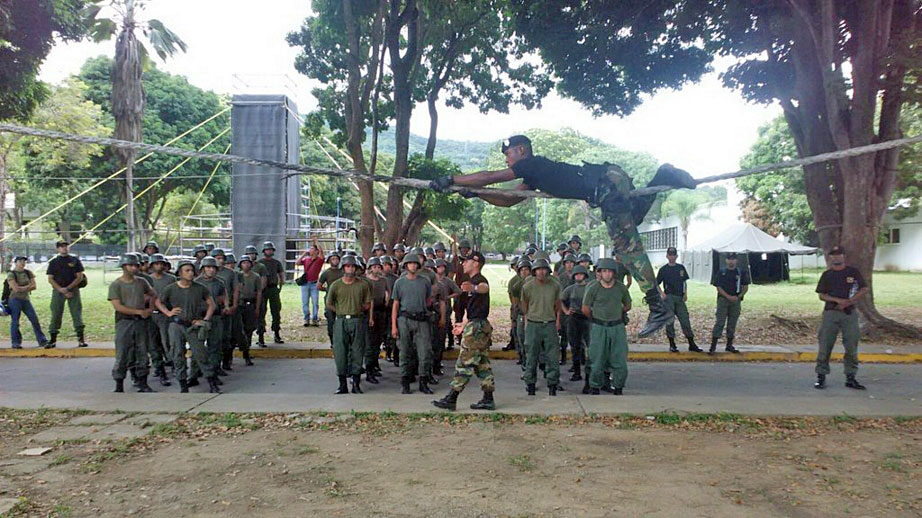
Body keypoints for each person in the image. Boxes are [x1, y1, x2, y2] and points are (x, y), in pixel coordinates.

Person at [429, 135, 696, 337]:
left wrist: (452, 178)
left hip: (605, 184)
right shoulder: (535, 173)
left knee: (626, 247)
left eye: (509, 154)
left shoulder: (530, 164)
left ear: (521, 150)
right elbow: (509, 200)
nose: (507, 160)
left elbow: (489, 177)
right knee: (633, 217)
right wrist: (476, 194)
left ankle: (657, 306)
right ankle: (664, 174)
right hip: (609, 179)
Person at [432, 251, 496, 411]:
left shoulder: (479, 281)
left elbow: (484, 288)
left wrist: (473, 288)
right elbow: (472, 309)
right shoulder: (470, 282)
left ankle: (452, 398)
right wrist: (463, 324)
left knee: (465, 363)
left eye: (466, 261)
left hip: (477, 328)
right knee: (482, 364)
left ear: (475, 263)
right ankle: (488, 398)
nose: (463, 264)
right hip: (476, 324)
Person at [155, 260, 217, 393]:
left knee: (201, 353)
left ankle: (212, 382)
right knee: (177, 354)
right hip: (176, 325)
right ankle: (183, 384)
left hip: (193, 325)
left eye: (192, 270)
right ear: (180, 273)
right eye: (186, 271)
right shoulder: (171, 288)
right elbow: (159, 302)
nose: (190, 273)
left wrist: (205, 319)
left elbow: (211, 304)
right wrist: (168, 312)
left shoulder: (199, 288)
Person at [814, 246, 869, 390]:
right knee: (825, 344)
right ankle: (821, 376)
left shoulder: (853, 272)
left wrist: (849, 302)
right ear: (830, 258)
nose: (836, 257)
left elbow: (864, 288)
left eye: (839, 255)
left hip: (849, 313)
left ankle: (851, 377)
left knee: (851, 345)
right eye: (833, 255)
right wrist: (838, 301)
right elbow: (821, 294)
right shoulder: (827, 275)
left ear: (844, 256)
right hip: (831, 313)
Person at [582, 258, 632, 395]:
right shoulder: (593, 288)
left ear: (614, 273)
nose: (607, 274)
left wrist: (617, 312)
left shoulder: (620, 288)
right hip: (599, 326)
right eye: (604, 271)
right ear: (599, 273)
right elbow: (585, 308)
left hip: (616, 327)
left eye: (610, 271)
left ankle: (618, 386)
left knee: (619, 359)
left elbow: (627, 305)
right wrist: (597, 317)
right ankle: (595, 386)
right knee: (596, 359)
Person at [107, 254, 155, 393]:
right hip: (124, 321)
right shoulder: (116, 285)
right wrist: (138, 311)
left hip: (140, 322)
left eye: (136, 265)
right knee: (122, 353)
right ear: (124, 267)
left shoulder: (141, 282)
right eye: (131, 265)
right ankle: (119, 383)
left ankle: (143, 383)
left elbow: (153, 294)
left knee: (142, 352)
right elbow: (118, 306)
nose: (134, 268)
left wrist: (149, 308)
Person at [327, 255, 372, 394]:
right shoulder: (336, 285)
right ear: (343, 268)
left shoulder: (363, 284)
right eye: (347, 266)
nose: (350, 269)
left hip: (357, 319)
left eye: (353, 266)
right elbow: (329, 303)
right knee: (340, 352)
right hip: (341, 321)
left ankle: (356, 384)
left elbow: (368, 303)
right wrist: (341, 311)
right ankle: (342, 385)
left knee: (358, 351)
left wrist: (356, 309)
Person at [391, 253, 434, 395]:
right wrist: (394, 326)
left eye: (415, 264)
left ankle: (423, 381)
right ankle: (405, 383)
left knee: (425, 352)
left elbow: (428, 300)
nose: (413, 266)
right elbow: (395, 305)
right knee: (404, 352)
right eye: (410, 263)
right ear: (405, 265)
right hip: (404, 319)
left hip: (421, 319)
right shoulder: (400, 282)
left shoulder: (425, 281)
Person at [521, 258, 562, 396]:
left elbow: (558, 304)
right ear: (534, 271)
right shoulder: (528, 286)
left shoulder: (555, 285)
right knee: (531, 355)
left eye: (544, 269)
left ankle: (552, 384)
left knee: (552, 356)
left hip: (549, 323)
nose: (541, 272)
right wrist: (527, 321)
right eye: (538, 269)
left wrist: (557, 321)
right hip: (533, 323)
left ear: (548, 271)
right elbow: (525, 305)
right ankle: (530, 383)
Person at [656, 247, 702, 353]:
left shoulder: (681, 268)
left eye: (674, 255)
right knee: (670, 321)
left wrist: (685, 293)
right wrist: (662, 293)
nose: (672, 257)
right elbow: (656, 283)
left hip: (679, 297)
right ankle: (672, 344)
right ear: (667, 256)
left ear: (676, 256)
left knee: (685, 319)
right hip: (669, 297)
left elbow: (684, 282)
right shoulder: (663, 269)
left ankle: (691, 343)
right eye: (670, 255)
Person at [45, 240, 87, 349]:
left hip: (73, 290)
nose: (64, 248)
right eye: (62, 247)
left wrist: (69, 288)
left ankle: (81, 339)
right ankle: (53, 339)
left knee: (76, 313)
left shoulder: (74, 260)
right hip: (58, 291)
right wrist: (61, 289)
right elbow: (50, 278)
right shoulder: (54, 262)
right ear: (58, 249)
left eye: (66, 246)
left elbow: (79, 276)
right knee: (56, 314)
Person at [195, 256, 228, 382]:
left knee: (215, 345)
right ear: (203, 268)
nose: (211, 270)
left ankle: (213, 372)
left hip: (216, 316)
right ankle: (197, 370)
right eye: (208, 267)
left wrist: (226, 306)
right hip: (200, 316)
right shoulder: (196, 282)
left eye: (213, 267)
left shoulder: (219, 282)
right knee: (198, 345)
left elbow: (224, 295)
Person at [6, 256, 49, 349]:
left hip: (25, 300)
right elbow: (15, 289)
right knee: (15, 321)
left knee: (34, 319)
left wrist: (22, 288)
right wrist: (27, 287)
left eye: (24, 261)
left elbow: (34, 286)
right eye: (20, 261)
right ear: (16, 262)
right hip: (14, 300)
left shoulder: (28, 273)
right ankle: (16, 342)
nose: (22, 263)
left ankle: (42, 340)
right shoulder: (11, 274)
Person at [710, 252, 749, 354]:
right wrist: (728, 296)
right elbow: (718, 287)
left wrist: (738, 296)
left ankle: (729, 345)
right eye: (729, 259)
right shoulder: (722, 272)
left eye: (733, 259)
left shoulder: (741, 273)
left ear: (736, 260)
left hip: (736, 300)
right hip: (723, 300)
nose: (731, 261)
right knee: (720, 322)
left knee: (732, 323)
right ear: (726, 260)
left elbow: (745, 287)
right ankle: (713, 346)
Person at [148, 254, 176, 386]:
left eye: (161, 263)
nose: (159, 266)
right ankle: (158, 367)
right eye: (156, 264)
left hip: (166, 314)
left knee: (168, 341)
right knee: (153, 343)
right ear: (152, 266)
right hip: (151, 314)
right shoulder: (147, 280)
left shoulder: (171, 279)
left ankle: (174, 364)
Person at [560, 265, 591, 383]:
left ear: (585, 275)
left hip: (587, 319)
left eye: (580, 274)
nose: (578, 276)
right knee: (575, 346)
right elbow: (562, 300)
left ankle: (590, 372)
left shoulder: (590, 287)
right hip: (574, 319)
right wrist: (566, 311)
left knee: (590, 346)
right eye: (576, 274)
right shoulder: (570, 289)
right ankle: (577, 372)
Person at [213, 249, 240, 372]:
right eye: (217, 258)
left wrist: (233, 305)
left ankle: (226, 361)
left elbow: (235, 290)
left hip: (226, 309)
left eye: (222, 258)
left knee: (226, 336)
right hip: (211, 310)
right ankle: (215, 364)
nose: (220, 260)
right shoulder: (205, 273)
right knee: (214, 339)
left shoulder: (230, 273)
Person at [364, 256, 388, 383]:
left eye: (378, 267)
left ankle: (373, 366)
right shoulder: (366, 281)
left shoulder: (383, 281)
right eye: (374, 267)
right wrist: (370, 317)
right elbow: (369, 300)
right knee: (370, 343)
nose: (376, 269)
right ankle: (368, 370)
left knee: (377, 341)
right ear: (370, 268)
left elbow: (388, 292)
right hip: (369, 313)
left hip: (381, 312)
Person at [257, 241, 286, 345]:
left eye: (270, 249)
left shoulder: (276, 262)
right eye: (267, 249)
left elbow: (281, 274)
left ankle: (277, 334)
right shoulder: (260, 263)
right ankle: (260, 336)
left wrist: (280, 286)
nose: (269, 251)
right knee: (261, 312)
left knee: (276, 312)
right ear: (264, 251)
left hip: (273, 289)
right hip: (263, 290)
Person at [237, 254, 261, 366]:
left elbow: (259, 292)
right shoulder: (237, 276)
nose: (246, 265)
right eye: (244, 263)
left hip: (250, 304)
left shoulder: (255, 276)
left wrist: (257, 307)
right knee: (236, 330)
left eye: (248, 262)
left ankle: (247, 354)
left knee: (249, 329)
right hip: (239, 304)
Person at [508, 259, 531, 366]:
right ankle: (523, 358)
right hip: (521, 314)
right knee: (520, 337)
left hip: (533, 315)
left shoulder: (535, 284)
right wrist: (514, 318)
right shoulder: (516, 285)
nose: (524, 272)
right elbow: (515, 303)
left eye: (527, 270)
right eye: (522, 270)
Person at [318, 251, 344, 345]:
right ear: (329, 260)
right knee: (331, 321)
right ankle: (333, 341)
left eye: (336, 258)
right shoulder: (326, 273)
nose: (335, 261)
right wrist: (328, 290)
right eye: (333, 259)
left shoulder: (343, 271)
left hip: (342, 300)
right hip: (330, 300)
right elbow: (319, 286)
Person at [298, 238, 325, 327]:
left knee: (315, 302)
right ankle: (306, 318)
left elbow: (321, 251)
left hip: (314, 284)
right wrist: (303, 255)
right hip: (305, 284)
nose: (310, 250)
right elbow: (297, 263)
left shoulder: (319, 260)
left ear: (316, 251)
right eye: (310, 249)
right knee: (305, 302)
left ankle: (315, 318)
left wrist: (316, 241)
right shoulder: (306, 260)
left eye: (312, 249)